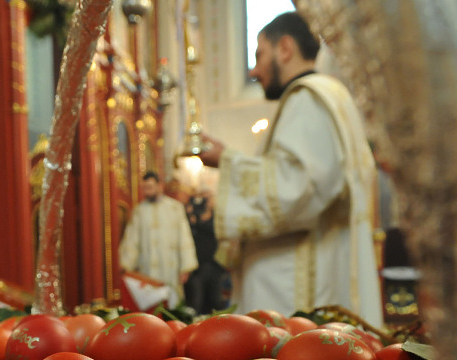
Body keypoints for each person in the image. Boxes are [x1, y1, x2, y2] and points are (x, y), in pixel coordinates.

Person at [198, 11, 383, 325]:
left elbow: (298, 188)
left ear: (285, 48)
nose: (254, 71)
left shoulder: (308, 100)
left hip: (299, 297)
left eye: (260, 55)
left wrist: (227, 160)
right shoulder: (325, 98)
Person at [119, 171, 198, 307]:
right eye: (144, 188)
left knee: (172, 304)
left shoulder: (175, 208)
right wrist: (127, 265)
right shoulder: (139, 211)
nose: (147, 192)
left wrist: (186, 267)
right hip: (147, 267)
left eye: (150, 187)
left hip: (171, 266)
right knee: (152, 306)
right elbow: (132, 240)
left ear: (159, 186)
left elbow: (184, 236)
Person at [183, 186, 226, 315]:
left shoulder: (218, 217)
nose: (203, 201)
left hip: (214, 265)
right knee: (196, 302)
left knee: (216, 301)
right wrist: (191, 214)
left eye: (207, 197)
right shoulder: (190, 215)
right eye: (201, 197)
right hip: (197, 267)